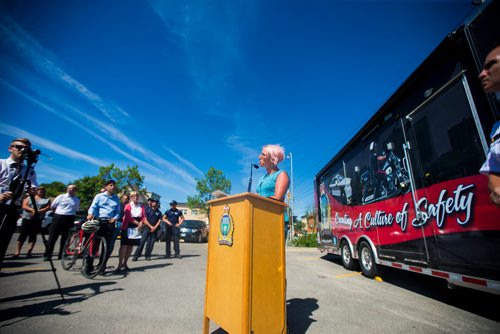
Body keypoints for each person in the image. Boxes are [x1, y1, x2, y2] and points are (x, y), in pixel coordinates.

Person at [0, 138, 38, 269]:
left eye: (25, 148)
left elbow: (33, 186)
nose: (22, 150)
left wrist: (32, 190)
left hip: (12, 208)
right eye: (19, 147)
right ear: (10, 148)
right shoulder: (1, 164)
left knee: (4, 240)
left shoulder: (29, 170)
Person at [478, 43, 500, 207]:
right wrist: (497, 188)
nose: (482, 74)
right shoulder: (496, 130)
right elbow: (493, 169)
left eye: (490, 65)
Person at [87, 180, 120, 274]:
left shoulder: (116, 198)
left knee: (106, 247)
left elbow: (117, 212)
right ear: (106, 187)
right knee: (94, 245)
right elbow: (93, 207)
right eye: (110, 185)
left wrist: (115, 218)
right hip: (99, 220)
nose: (112, 187)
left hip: (109, 222)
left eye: (114, 186)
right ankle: (88, 266)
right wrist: (90, 214)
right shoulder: (99, 196)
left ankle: (102, 267)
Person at [43, 184, 80, 261]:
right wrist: (57, 214)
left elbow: (76, 209)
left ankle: (62, 254)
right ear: (67, 189)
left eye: (72, 189)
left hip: (69, 218)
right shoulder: (61, 197)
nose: (70, 190)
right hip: (59, 217)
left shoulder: (76, 199)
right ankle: (48, 254)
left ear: (75, 191)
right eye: (69, 188)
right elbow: (53, 206)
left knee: (66, 238)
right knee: (53, 236)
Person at [13, 187, 51, 258]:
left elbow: (47, 208)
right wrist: (32, 210)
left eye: (42, 190)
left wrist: (38, 212)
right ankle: (17, 252)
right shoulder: (29, 197)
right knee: (22, 235)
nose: (40, 191)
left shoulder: (46, 200)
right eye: (39, 189)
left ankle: (29, 252)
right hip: (27, 218)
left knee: (33, 236)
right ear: (36, 191)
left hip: (37, 219)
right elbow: (24, 206)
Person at [116, 191, 145, 272]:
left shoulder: (141, 206)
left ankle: (125, 263)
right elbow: (128, 216)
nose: (135, 197)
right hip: (128, 225)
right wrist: (137, 223)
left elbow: (143, 216)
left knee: (131, 246)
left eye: (136, 195)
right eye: (133, 196)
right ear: (131, 197)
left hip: (137, 227)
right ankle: (119, 264)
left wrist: (141, 223)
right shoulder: (128, 205)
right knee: (124, 245)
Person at [108, 193, 129, 257]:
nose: (125, 200)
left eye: (126, 199)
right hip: (118, 222)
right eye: (124, 198)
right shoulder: (118, 205)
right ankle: (108, 254)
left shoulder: (128, 206)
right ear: (122, 198)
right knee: (112, 239)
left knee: (124, 242)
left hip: (125, 224)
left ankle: (122, 255)